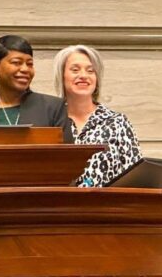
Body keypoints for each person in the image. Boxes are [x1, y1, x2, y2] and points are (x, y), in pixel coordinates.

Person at [53, 45, 143, 187]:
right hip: (62, 207)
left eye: (90, 71)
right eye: (75, 70)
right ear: (61, 76)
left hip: (107, 207)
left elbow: (135, 178)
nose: (83, 75)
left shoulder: (118, 122)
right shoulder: (52, 121)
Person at [0, 35, 72, 141]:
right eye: (16, 63)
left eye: (29, 64)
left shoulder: (53, 108)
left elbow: (68, 155)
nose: (25, 69)